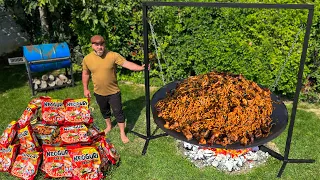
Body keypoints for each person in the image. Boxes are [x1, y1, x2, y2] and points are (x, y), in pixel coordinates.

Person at [82, 35, 146, 143]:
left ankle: (122, 133)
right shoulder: (87, 59)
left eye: (101, 44)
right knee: (104, 111)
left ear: (104, 44)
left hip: (113, 92)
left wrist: (141, 68)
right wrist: (85, 89)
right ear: (92, 46)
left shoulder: (113, 55)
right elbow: (85, 74)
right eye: (96, 45)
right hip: (99, 92)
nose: (99, 47)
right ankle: (109, 126)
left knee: (118, 112)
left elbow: (127, 64)